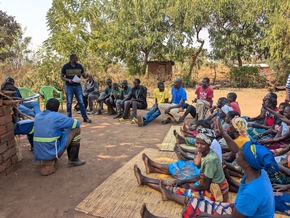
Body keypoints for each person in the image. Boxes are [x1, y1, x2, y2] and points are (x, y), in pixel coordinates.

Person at [140, 118, 278, 218]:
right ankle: (164, 191)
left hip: (236, 213)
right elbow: (237, 151)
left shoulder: (251, 192)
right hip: (240, 211)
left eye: (241, 152)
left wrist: (210, 216)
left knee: (199, 213)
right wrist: (223, 133)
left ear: (247, 163)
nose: (237, 152)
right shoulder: (258, 172)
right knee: (196, 202)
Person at [134, 128, 229, 203]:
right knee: (178, 182)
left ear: (209, 144)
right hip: (209, 184)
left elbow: (205, 185)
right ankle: (145, 179)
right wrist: (183, 181)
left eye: (202, 144)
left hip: (216, 192)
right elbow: (200, 176)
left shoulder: (210, 160)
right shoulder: (206, 154)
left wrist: (186, 186)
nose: (199, 146)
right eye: (197, 142)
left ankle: (147, 182)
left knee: (175, 189)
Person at [33, 98, 85, 176]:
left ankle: (46, 160)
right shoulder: (56, 116)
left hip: (38, 154)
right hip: (51, 152)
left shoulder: (37, 116)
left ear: (46, 106)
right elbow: (76, 123)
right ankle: (73, 159)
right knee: (76, 129)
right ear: (57, 108)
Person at [60, 54, 91, 123]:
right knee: (69, 102)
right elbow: (62, 77)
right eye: (75, 59)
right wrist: (68, 80)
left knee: (81, 102)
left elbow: (84, 76)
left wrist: (87, 75)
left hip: (77, 85)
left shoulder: (79, 66)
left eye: (77, 59)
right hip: (69, 86)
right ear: (71, 59)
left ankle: (85, 118)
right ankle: (69, 119)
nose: (76, 60)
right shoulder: (65, 66)